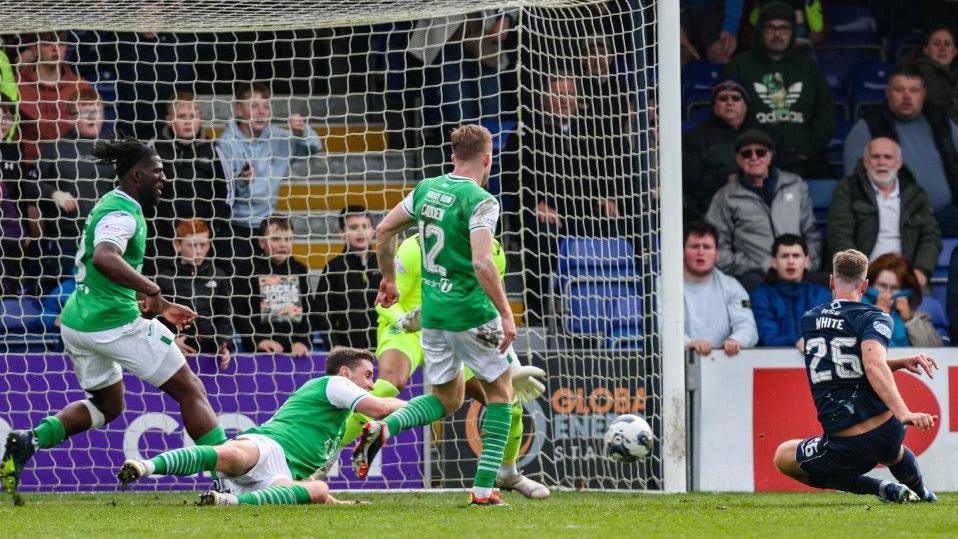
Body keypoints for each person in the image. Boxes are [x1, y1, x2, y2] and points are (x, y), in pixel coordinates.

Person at [1, 139, 227, 506]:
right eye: (157, 170)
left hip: (79, 322)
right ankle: (230, 480)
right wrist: (155, 292)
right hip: (113, 324)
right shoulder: (123, 214)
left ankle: (29, 440)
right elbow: (104, 257)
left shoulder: (110, 205)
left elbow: (104, 273)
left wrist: (153, 308)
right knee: (190, 390)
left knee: (109, 405)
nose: (164, 177)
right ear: (136, 174)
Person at [353, 124, 518, 506]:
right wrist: (506, 315)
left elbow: (383, 230)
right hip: (473, 315)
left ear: (452, 156)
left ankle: (383, 425)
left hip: (434, 318)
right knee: (502, 394)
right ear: (488, 158)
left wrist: (390, 279)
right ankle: (482, 492)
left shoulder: (428, 188)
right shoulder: (482, 201)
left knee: (448, 400)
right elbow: (482, 261)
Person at [335, 233, 549, 499]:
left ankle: (508, 472)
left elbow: (490, 305)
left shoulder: (492, 252)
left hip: (454, 328)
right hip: (408, 327)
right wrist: (404, 320)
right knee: (390, 383)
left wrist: (512, 366)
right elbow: (386, 302)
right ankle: (327, 454)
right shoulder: (414, 249)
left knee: (506, 401)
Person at [117, 348, 405, 506]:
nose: (371, 383)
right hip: (268, 447)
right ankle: (144, 467)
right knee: (232, 456)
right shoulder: (334, 384)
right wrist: (417, 408)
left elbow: (309, 478)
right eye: (368, 375)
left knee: (318, 490)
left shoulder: (339, 423)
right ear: (345, 373)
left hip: (276, 478)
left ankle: (229, 502)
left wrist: (338, 504)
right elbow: (379, 407)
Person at [773, 248, 939, 503]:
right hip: (888, 433)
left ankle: (881, 488)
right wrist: (902, 412)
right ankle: (923, 492)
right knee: (893, 452)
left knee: (783, 456)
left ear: (831, 280)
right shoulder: (876, 317)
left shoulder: (810, 320)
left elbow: (863, 364)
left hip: (846, 448)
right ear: (865, 285)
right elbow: (870, 363)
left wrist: (898, 385)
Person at [722, 1, 835, 178]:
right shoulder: (739, 66)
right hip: (752, 160)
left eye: (784, 28)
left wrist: (807, 152)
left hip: (803, 160)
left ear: (793, 32)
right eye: (770, 28)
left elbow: (825, 117)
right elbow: (725, 115)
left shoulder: (808, 67)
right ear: (760, 30)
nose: (777, 34)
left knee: (829, 189)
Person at [215, 82, 322, 267]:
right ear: (239, 110)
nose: (262, 112)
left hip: (266, 227)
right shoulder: (226, 143)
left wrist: (302, 132)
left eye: (266, 106)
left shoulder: (278, 137)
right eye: (254, 106)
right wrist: (242, 182)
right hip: (234, 227)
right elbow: (225, 193)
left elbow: (314, 147)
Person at [842, 65, 958, 236]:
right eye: (899, 90)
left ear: (923, 94)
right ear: (888, 93)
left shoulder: (943, 124)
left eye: (914, 90)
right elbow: (856, 185)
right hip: (894, 220)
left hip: (946, 214)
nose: (906, 96)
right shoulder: (867, 128)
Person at [706, 129, 820, 292]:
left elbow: (811, 232)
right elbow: (717, 248)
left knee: (827, 285)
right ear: (738, 159)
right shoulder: (725, 196)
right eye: (746, 154)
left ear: (770, 156)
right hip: (756, 275)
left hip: (798, 270)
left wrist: (809, 262)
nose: (754, 157)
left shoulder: (795, 185)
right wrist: (754, 265)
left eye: (760, 152)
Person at [827, 137, 940, 288]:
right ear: (865, 161)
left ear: (899, 163)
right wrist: (856, 272)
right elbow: (839, 234)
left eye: (888, 157)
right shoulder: (848, 189)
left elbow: (930, 237)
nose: (881, 162)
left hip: (905, 278)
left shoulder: (915, 194)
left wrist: (921, 270)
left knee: (927, 308)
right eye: (875, 157)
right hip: (861, 277)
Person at [28, 88, 112, 285]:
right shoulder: (57, 148)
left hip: (106, 239)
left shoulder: (114, 147)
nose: (93, 117)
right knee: (67, 298)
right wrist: (54, 193)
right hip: (66, 241)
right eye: (85, 112)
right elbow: (28, 185)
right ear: (72, 117)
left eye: (97, 111)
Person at [682, 80, 794, 222]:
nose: (730, 103)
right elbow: (691, 185)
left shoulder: (767, 133)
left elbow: (789, 170)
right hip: (714, 215)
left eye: (736, 98)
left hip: (764, 210)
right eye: (723, 98)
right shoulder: (695, 137)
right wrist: (725, 178)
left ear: (746, 104)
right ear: (714, 105)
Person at [148, 90, 230, 273]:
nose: (187, 121)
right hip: (163, 235)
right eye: (181, 116)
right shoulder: (154, 148)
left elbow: (226, 192)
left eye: (192, 116)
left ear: (200, 118)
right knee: (162, 280)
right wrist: (156, 224)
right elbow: (143, 191)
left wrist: (211, 226)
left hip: (201, 235)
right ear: (169, 119)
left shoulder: (213, 150)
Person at [154, 219, 235, 368]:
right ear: (178, 245)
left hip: (211, 355)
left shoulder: (218, 275)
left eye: (203, 245)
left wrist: (225, 345)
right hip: (172, 354)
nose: (198, 251)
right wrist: (171, 342)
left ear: (209, 245)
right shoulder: (164, 279)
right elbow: (154, 324)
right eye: (192, 245)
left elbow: (224, 317)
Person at [234, 216, 312, 356]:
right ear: (262, 242)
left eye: (288, 239)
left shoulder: (300, 269)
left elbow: (309, 310)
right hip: (259, 351)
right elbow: (238, 311)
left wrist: (302, 341)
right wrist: (258, 340)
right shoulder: (248, 269)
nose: (283, 244)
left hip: (295, 352)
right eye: (276, 239)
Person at [683, 221, 758, 357]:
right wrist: (688, 344)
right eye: (694, 247)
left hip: (723, 363)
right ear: (682, 252)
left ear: (717, 254)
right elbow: (659, 327)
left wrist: (736, 340)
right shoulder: (664, 285)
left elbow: (748, 327)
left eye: (707, 247)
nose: (701, 252)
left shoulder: (732, 286)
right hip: (674, 363)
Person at [311, 206, 381, 350]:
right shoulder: (334, 267)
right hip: (346, 351)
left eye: (365, 226)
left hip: (383, 347)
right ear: (342, 233)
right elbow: (321, 311)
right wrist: (333, 344)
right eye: (354, 227)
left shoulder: (384, 264)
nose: (361, 231)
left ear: (373, 231)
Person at [17, 32, 93, 162]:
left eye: (61, 42)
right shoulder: (17, 86)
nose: (55, 48)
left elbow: (90, 134)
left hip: (71, 168)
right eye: (48, 42)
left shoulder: (81, 87)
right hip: (27, 169)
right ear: (36, 48)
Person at [750, 234, 830, 348]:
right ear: (774, 262)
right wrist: (801, 341)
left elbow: (832, 334)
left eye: (796, 256)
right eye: (785, 256)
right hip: (773, 363)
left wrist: (810, 341)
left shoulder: (823, 295)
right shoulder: (761, 296)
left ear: (806, 261)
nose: (791, 261)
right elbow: (766, 338)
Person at [862, 253, 943, 348]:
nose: (888, 293)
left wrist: (909, 319)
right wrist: (875, 318)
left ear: (906, 290)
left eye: (895, 288)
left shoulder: (916, 315)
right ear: (870, 284)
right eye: (882, 286)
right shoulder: (855, 310)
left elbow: (935, 349)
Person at [908, 26, 958, 124]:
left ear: (955, 52)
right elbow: (940, 107)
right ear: (926, 50)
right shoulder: (921, 71)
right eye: (936, 44)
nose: (942, 48)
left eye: (947, 44)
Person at [680, 0, 744, 65]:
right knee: (677, 55)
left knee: (722, 53)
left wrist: (730, 27)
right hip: (678, 9)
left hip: (713, 7)